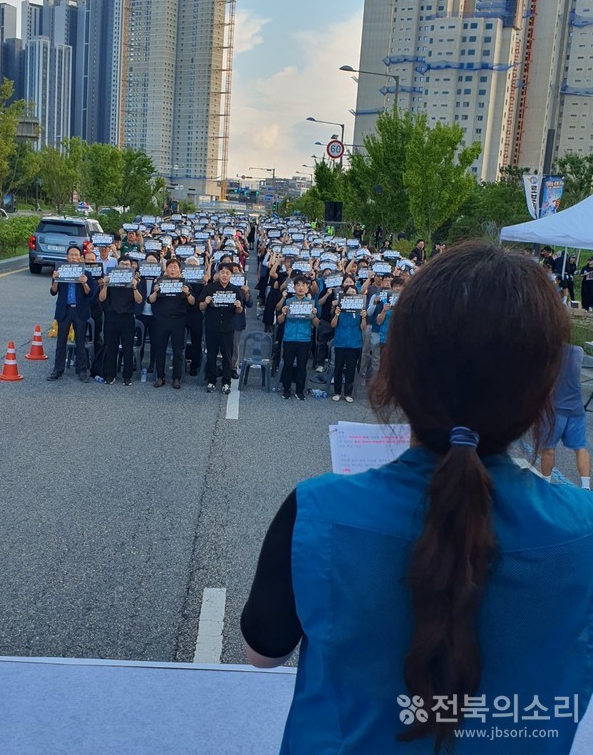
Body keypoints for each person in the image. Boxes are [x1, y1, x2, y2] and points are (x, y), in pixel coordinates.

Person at [241, 242, 593, 754]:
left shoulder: (315, 511)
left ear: (395, 378)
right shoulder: (583, 531)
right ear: (542, 394)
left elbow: (262, 654)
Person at [540, 343, 591, 489]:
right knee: (581, 447)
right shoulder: (578, 351)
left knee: (548, 449)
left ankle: (545, 484)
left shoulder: (548, 352)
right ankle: (586, 487)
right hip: (576, 409)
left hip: (555, 409)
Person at [47, 244, 96, 383]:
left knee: (80, 342)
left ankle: (82, 371)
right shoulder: (60, 271)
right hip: (65, 310)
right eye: (71, 255)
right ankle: (57, 370)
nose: (74, 258)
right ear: (67, 257)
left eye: (76, 255)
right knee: (61, 342)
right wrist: (55, 279)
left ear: (80, 258)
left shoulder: (87, 274)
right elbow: (53, 292)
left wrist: (85, 283)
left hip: (80, 310)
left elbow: (90, 294)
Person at [148, 258, 195, 389]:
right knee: (160, 350)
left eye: (175, 267)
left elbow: (192, 302)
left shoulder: (184, 283)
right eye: (170, 267)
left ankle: (176, 378)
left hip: (178, 321)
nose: (172, 269)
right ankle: (160, 377)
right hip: (162, 320)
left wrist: (187, 293)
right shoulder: (159, 281)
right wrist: (155, 292)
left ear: (180, 270)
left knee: (177, 351)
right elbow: (150, 300)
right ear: (166, 269)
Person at [198, 262, 244, 394]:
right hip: (212, 327)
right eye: (222, 273)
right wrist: (205, 302)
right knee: (211, 355)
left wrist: (238, 306)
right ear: (217, 274)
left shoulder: (235, 290)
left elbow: (239, 311)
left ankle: (226, 382)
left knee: (227, 357)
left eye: (227, 273)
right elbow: (200, 307)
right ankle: (211, 381)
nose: (224, 275)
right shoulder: (210, 288)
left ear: (231, 275)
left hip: (228, 328)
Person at [98, 256, 142, 386]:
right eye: (122, 264)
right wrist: (105, 284)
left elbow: (139, 300)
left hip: (127, 318)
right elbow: (101, 298)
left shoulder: (134, 281)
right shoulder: (111, 278)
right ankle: (110, 375)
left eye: (127, 264)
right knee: (111, 347)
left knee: (128, 348)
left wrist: (134, 287)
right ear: (117, 266)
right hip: (111, 317)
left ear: (131, 267)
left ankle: (127, 376)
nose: (124, 266)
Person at [277, 275, 319, 400]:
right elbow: (279, 321)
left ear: (307, 288)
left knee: (302, 366)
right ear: (294, 288)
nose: (301, 288)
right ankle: (286, 389)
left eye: (303, 285)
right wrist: (283, 313)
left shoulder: (310, 303)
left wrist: (314, 315)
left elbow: (316, 324)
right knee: (288, 365)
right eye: (298, 285)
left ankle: (300, 391)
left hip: (304, 339)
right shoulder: (289, 302)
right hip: (289, 338)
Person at [330, 284, 367, 402]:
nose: (351, 293)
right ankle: (336, 392)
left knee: (351, 369)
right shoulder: (340, 308)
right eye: (349, 291)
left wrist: (364, 317)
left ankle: (348, 393)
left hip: (355, 343)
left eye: (353, 291)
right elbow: (333, 325)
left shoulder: (359, 309)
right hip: (340, 341)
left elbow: (363, 327)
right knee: (338, 368)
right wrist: (336, 314)